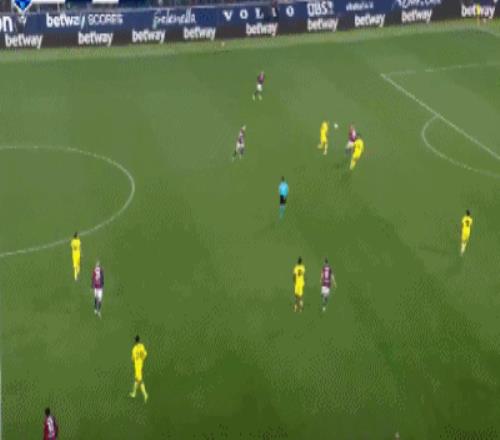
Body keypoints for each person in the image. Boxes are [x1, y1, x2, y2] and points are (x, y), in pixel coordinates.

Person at [130, 335, 149, 403]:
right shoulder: (142, 346)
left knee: (140, 380)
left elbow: (133, 358)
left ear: (135, 341)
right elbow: (145, 354)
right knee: (136, 379)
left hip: (137, 366)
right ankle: (134, 393)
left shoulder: (134, 349)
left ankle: (145, 394)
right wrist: (142, 359)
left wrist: (134, 359)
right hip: (141, 364)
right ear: (139, 340)